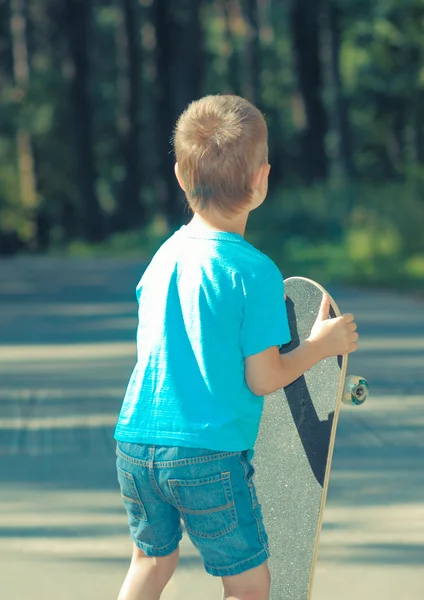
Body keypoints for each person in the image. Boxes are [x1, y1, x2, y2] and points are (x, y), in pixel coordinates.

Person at [113, 95, 359, 600]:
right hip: (206, 452)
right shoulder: (253, 271)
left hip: (135, 443)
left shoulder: (163, 257)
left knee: (152, 560)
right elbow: (263, 378)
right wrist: (320, 345)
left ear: (181, 177)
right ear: (261, 180)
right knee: (248, 584)